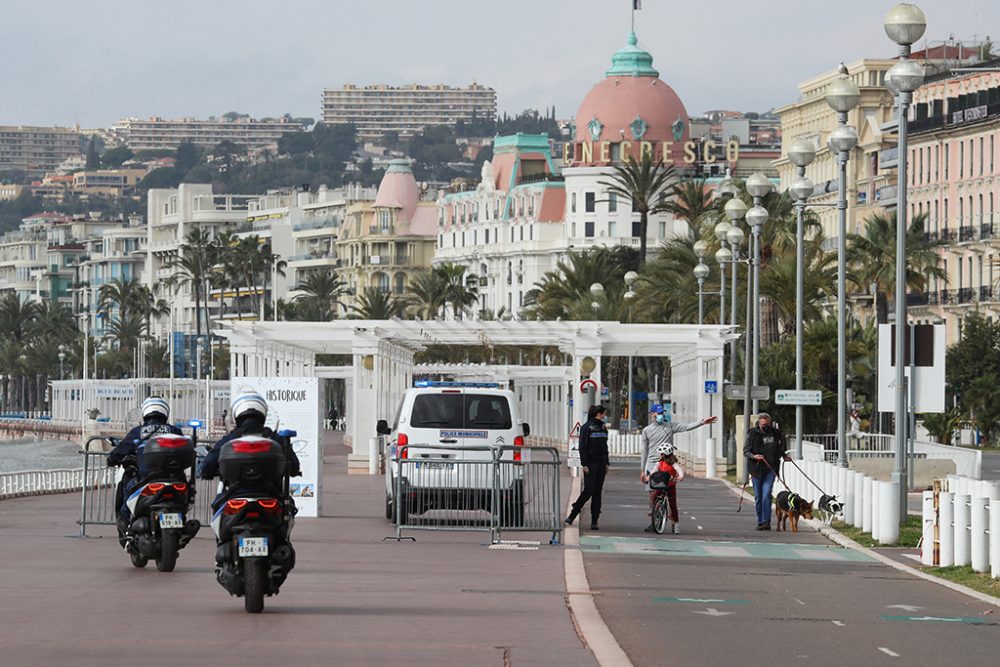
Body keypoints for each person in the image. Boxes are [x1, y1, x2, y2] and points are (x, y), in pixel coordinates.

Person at [107, 397, 183, 542]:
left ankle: (127, 524)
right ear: (165, 412)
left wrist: (112, 459)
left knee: (128, 491)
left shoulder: (139, 432)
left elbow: (121, 450)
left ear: (145, 412)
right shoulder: (174, 431)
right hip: (174, 479)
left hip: (146, 478)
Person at [565, 404, 610, 530]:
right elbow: (582, 447)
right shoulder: (587, 427)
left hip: (601, 462)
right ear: (599, 414)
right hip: (591, 463)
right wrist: (584, 464)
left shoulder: (602, 428)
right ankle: (574, 512)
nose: (605, 416)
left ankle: (594, 520)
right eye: (604, 414)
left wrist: (607, 463)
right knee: (589, 489)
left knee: (597, 492)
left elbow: (605, 447)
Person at [743, 412, 791, 531]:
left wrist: (784, 456)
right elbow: (746, 451)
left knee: (766, 494)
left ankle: (766, 521)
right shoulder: (752, 434)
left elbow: (780, 448)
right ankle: (760, 520)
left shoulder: (776, 433)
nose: (766, 426)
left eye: (767, 424)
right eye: (763, 424)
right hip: (756, 470)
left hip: (770, 468)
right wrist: (754, 456)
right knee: (758, 497)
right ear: (759, 423)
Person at [643, 443, 685, 533]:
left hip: (670, 486)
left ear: (665, 454)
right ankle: (654, 510)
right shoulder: (659, 463)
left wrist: (680, 477)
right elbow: (653, 471)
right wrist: (648, 477)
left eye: (661, 453)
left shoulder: (673, 464)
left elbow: (680, 471)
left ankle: (676, 524)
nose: (660, 455)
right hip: (661, 485)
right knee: (655, 497)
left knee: (673, 505)